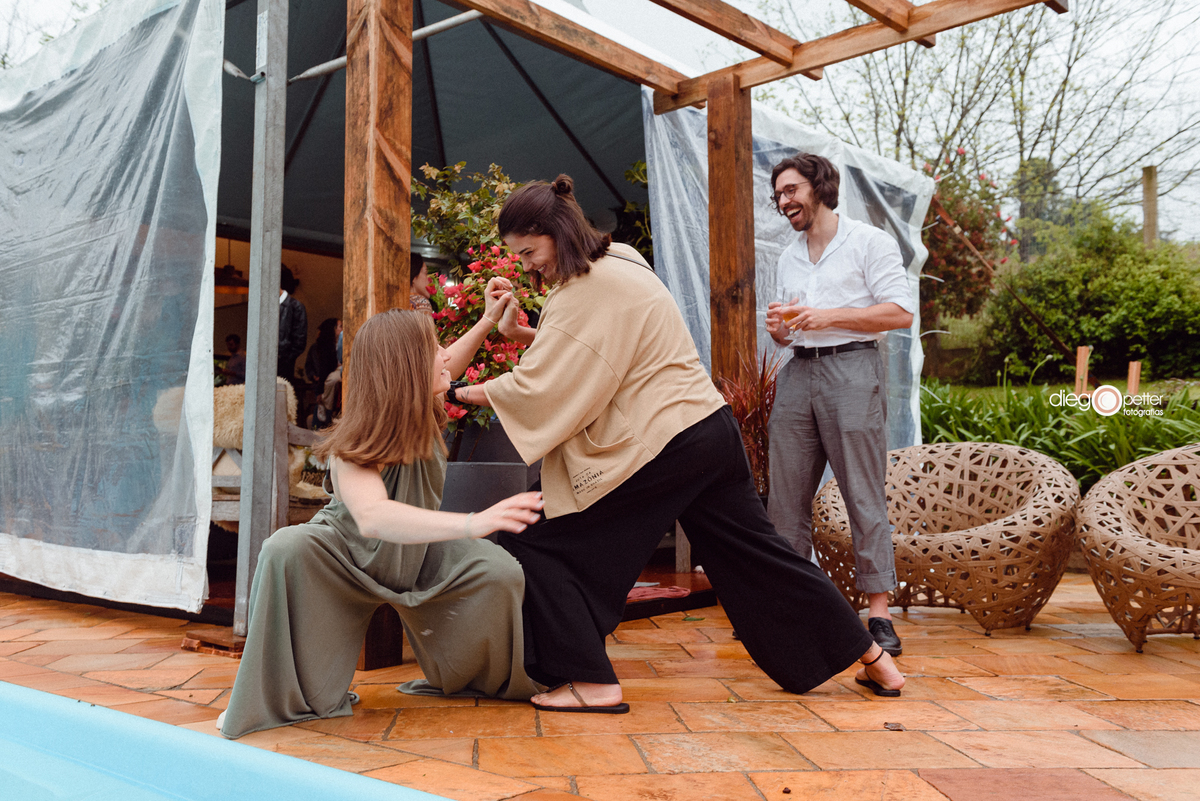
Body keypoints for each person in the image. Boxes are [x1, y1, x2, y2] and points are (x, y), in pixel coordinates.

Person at [451, 174, 904, 713]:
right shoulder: (622, 259)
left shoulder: (582, 291)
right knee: (760, 556)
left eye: (529, 250)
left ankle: (591, 681)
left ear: (556, 231)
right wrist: (522, 335)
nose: (525, 264)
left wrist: (458, 390)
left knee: (537, 540)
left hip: (664, 443)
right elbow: (598, 346)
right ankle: (877, 659)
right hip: (710, 432)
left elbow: (544, 383)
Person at [219, 298, 541, 739]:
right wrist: (472, 522)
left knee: (497, 570)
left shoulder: (426, 408)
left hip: (418, 552)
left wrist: (487, 320)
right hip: (345, 555)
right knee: (284, 548)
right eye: (435, 349)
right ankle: (281, 695)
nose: (446, 354)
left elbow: (449, 363)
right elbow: (371, 517)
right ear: (407, 367)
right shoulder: (355, 441)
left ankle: (470, 677)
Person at [763, 153, 916, 658]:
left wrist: (826, 317)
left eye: (791, 190)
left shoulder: (869, 242)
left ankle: (878, 613)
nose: (784, 201)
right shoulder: (788, 255)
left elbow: (898, 312)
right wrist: (781, 331)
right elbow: (792, 332)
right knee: (784, 501)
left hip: (852, 370)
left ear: (819, 185)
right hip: (798, 373)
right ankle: (790, 607)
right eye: (779, 193)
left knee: (862, 493)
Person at [278, 265, 307, 380]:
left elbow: (300, 341)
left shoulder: (296, 307)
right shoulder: (266, 306)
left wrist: (285, 358)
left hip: (284, 366)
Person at [305, 317, 340, 386]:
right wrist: (314, 376)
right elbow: (310, 365)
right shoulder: (317, 348)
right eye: (340, 326)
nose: (343, 329)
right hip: (321, 383)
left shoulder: (342, 346)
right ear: (333, 329)